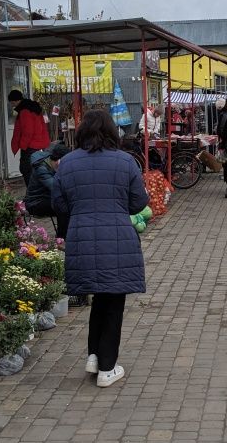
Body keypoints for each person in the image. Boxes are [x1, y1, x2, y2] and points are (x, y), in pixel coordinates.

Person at [52, 109, 149, 388]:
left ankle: (94, 355)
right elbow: (138, 203)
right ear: (112, 132)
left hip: (81, 238)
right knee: (113, 301)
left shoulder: (67, 163)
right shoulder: (126, 162)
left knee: (99, 298)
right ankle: (107, 368)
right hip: (117, 238)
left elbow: (59, 205)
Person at [25, 142, 72, 236]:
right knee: (62, 206)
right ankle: (61, 237)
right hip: (35, 203)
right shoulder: (42, 169)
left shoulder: (52, 164)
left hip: (47, 198)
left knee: (66, 204)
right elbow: (55, 187)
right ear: (59, 161)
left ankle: (67, 234)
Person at [8, 89, 50, 186]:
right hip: (40, 144)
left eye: (12, 103)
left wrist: (23, 145)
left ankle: (31, 195)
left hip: (30, 146)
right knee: (36, 171)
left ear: (15, 101)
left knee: (27, 170)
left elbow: (28, 131)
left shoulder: (25, 111)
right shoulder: (33, 108)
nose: (12, 105)